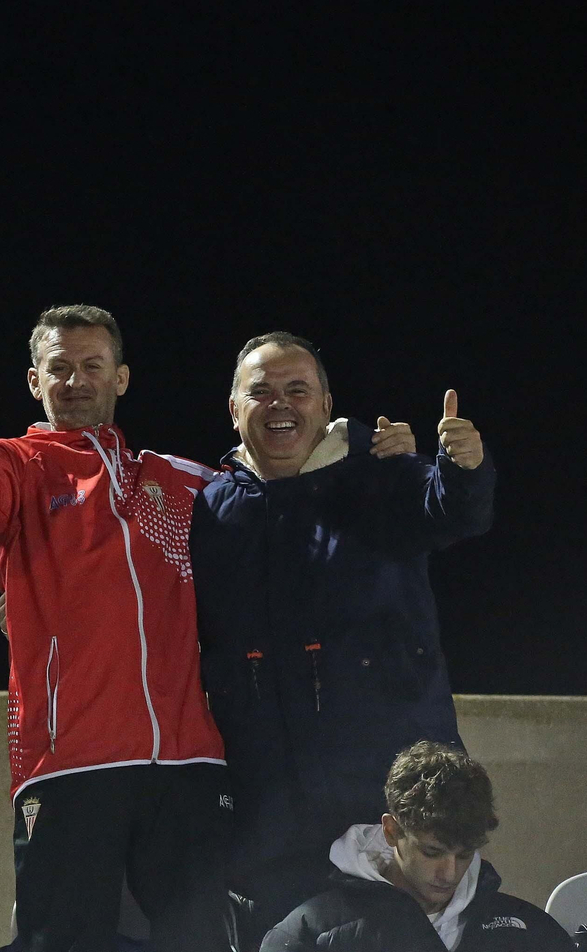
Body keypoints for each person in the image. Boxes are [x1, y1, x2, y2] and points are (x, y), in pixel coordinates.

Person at [0, 304, 235, 951]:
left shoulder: (174, 478)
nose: (76, 381)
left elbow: (260, 502)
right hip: (69, 760)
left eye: (92, 366)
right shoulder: (20, 464)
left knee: (202, 941)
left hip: (187, 760)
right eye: (60, 368)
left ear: (120, 378)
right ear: (34, 381)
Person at [191, 332, 496, 943]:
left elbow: (449, 511)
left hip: (386, 788)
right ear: (234, 409)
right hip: (270, 809)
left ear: (326, 404)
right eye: (262, 392)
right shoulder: (210, 507)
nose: (281, 404)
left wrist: (465, 469)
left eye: (297, 390)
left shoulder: (378, 473)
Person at [262, 741, 573, 950]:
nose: (450, 874)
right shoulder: (309, 933)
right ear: (392, 830)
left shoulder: (529, 931)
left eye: (465, 855)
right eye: (432, 852)